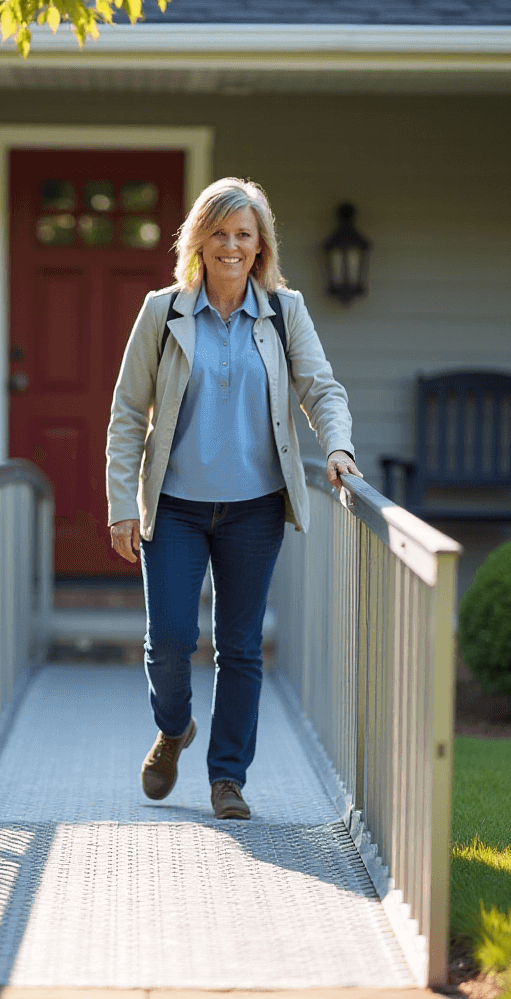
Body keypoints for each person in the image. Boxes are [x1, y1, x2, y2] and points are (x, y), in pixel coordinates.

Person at [105, 176, 361, 821]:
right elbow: (128, 413)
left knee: (241, 645)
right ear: (199, 239)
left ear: (260, 244)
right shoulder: (163, 312)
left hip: (253, 507)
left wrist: (338, 447)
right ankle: (174, 728)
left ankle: (228, 780)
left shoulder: (283, 311)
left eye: (243, 234)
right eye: (219, 232)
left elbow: (321, 389)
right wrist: (121, 503)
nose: (231, 245)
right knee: (167, 640)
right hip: (176, 508)